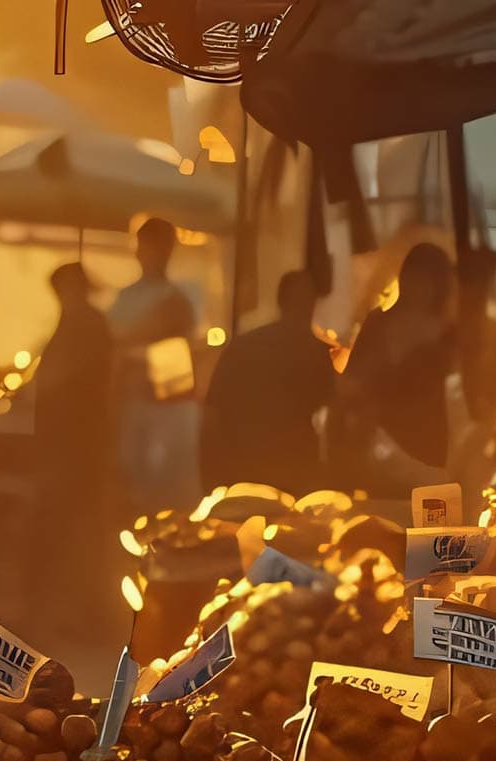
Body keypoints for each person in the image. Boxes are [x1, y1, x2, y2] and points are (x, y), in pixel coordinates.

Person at [199, 271, 336, 495]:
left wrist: (211, 474)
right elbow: (334, 411)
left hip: (246, 467)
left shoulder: (242, 347)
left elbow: (211, 415)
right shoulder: (315, 352)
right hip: (292, 471)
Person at [33, 261, 118, 612]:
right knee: (71, 523)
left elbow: (64, 375)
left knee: (74, 525)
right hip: (70, 439)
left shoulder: (87, 324)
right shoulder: (77, 321)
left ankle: (77, 607)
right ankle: (72, 605)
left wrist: (37, 389)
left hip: (77, 441)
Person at [337, 244, 459, 485]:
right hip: (376, 449)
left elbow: (457, 398)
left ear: (439, 284)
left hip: (427, 450)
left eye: (426, 279)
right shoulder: (377, 324)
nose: (419, 286)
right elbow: (351, 381)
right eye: (414, 276)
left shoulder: (450, 336)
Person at [108, 217, 201, 508]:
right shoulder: (125, 298)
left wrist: (127, 343)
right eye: (146, 246)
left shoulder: (179, 299)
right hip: (131, 403)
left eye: (159, 247)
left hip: (168, 408)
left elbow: (162, 328)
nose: (149, 254)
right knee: (131, 483)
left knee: (165, 491)